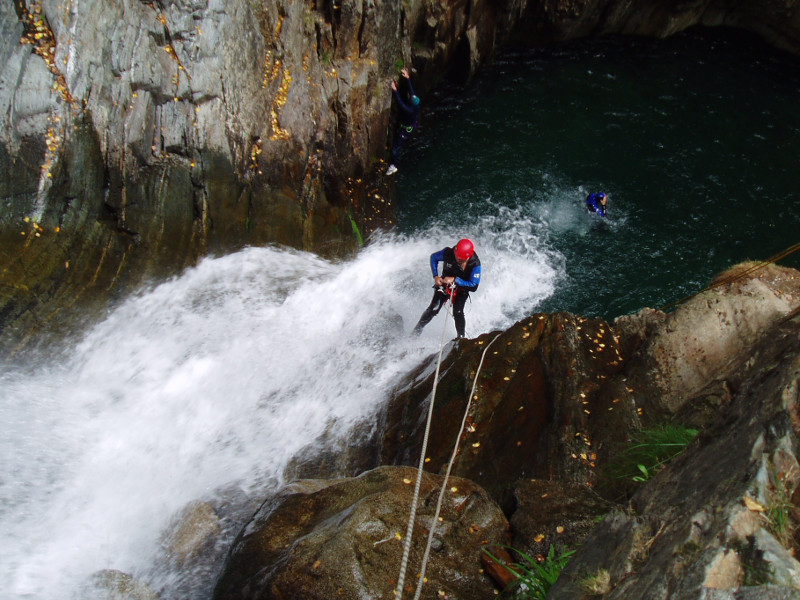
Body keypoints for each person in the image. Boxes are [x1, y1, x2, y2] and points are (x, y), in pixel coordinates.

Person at [413, 239, 481, 338]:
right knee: (433, 309)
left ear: (468, 257)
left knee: (458, 312)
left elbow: (473, 286)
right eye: (457, 257)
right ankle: (416, 331)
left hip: (462, 287)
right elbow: (434, 258)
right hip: (445, 284)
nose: (458, 260)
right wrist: (436, 276)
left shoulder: (475, 264)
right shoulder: (449, 253)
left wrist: (455, 280)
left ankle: (460, 338)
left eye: (461, 260)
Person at [386, 68, 420, 176]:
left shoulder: (409, 110)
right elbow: (412, 92)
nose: (411, 97)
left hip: (405, 130)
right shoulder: (416, 104)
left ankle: (393, 166)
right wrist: (408, 78)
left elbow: (401, 104)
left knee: (396, 149)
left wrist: (394, 90)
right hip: (409, 125)